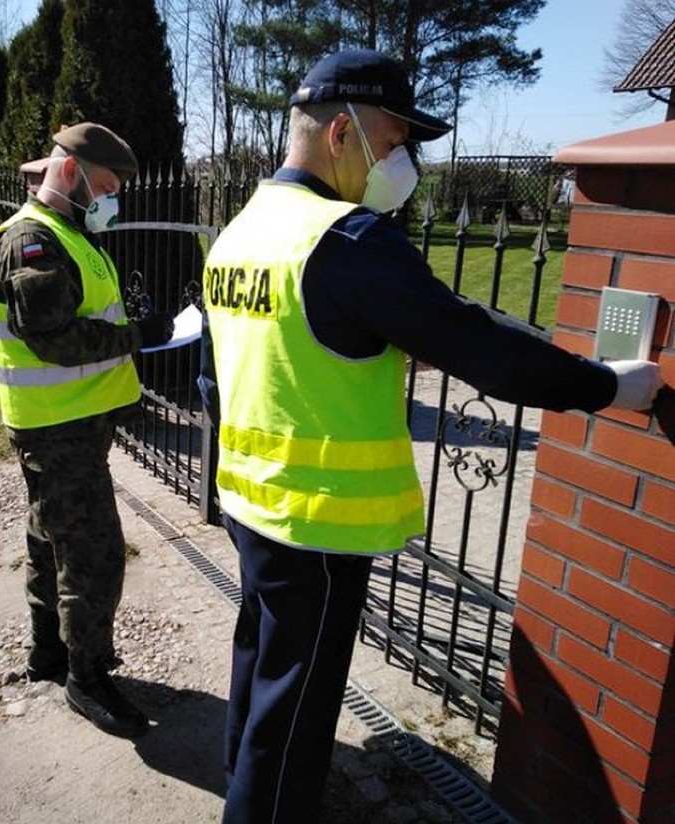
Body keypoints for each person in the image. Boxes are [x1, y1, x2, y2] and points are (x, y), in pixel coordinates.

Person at [198, 50, 664, 823]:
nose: (403, 163)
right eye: (393, 141)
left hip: (252, 504)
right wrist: (607, 384)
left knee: (260, 677)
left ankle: (240, 790)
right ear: (343, 133)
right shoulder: (344, 240)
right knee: (295, 724)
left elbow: (233, 369)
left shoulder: (242, 232)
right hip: (318, 526)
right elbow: (474, 340)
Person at [0, 121, 174, 739]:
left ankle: (50, 654)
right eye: (106, 186)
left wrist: (129, 328)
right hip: (57, 431)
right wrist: (137, 338)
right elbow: (55, 340)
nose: (110, 199)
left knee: (51, 537)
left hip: (70, 428)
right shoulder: (32, 240)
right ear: (69, 173)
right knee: (93, 555)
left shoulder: (65, 233)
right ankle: (86, 679)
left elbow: (79, 315)